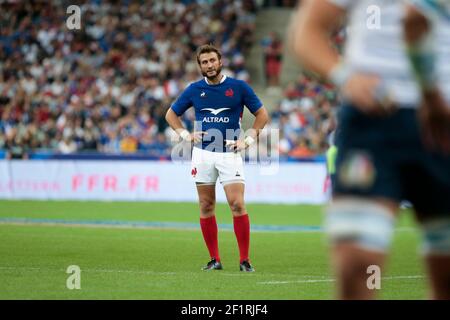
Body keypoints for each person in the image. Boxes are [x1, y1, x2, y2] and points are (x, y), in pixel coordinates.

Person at [290, 0, 450, 299]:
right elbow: (307, 30)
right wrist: (345, 76)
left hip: (444, 126)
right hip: (373, 123)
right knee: (356, 266)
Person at [165, 44, 269, 272]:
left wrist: (248, 141)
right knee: (206, 204)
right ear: (200, 65)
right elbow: (171, 114)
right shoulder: (194, 89)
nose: (209, 65)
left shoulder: (238, 87)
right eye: (204, 62)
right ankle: (215, 259)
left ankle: (245, 260)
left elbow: (262, 115)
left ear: (220, 61)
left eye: (212, 60)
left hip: (229, 154)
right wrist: (185, 135)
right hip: (202, 154)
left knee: (237, 204)